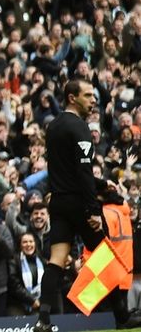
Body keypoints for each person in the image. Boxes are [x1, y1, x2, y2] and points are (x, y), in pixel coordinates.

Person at [34, 79, 141, 331]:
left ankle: (43, 320)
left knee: (56, 260)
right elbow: (82, 172)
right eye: (88, 95)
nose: (93, 100)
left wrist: (102, 183)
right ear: (72, 98)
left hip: (58, 201)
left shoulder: (53, 127)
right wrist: (93, 209)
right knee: (106, 255)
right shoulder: (80, 127)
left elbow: (67, 169)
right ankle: (122, 316)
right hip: (79, 203)